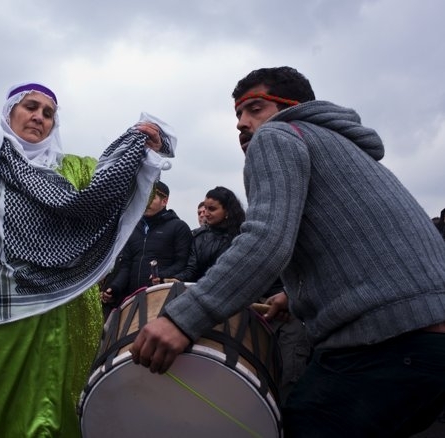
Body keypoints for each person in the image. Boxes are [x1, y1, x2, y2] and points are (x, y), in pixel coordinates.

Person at [130, 66, 445, 437]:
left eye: (255, 109)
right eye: (238, 116)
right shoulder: (341, 146)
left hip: (385, 344)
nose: (243, 124)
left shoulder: (278, 135)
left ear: (292, 107)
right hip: (427, 340)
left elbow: (265, 241)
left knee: (304, 422)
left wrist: (182, 318)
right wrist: (290, 296)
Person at [0, 82, 175, 437]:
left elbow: (111, 195)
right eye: (30, 107)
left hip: (61, 311)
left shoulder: (74, 170)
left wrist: (142, 151)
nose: (39, 117)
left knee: (49, 412)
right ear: (8, 113)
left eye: (48, 113)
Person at [100, 180, 192, 309]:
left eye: (151, 197)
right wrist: (114, 288)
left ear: (164, 201)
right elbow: (126, 265)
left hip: (163, 299)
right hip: (131, 301)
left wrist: (161, 275)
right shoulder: (132, 228)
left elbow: (182, 264)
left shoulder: (179, 227)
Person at [171, 186, 245, 282]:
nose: (206, 213)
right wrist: (176, 279)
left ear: (227, 210)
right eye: (205, 208)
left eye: (212, 209)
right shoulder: (199, 236)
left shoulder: (243, 235)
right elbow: (191, 269)